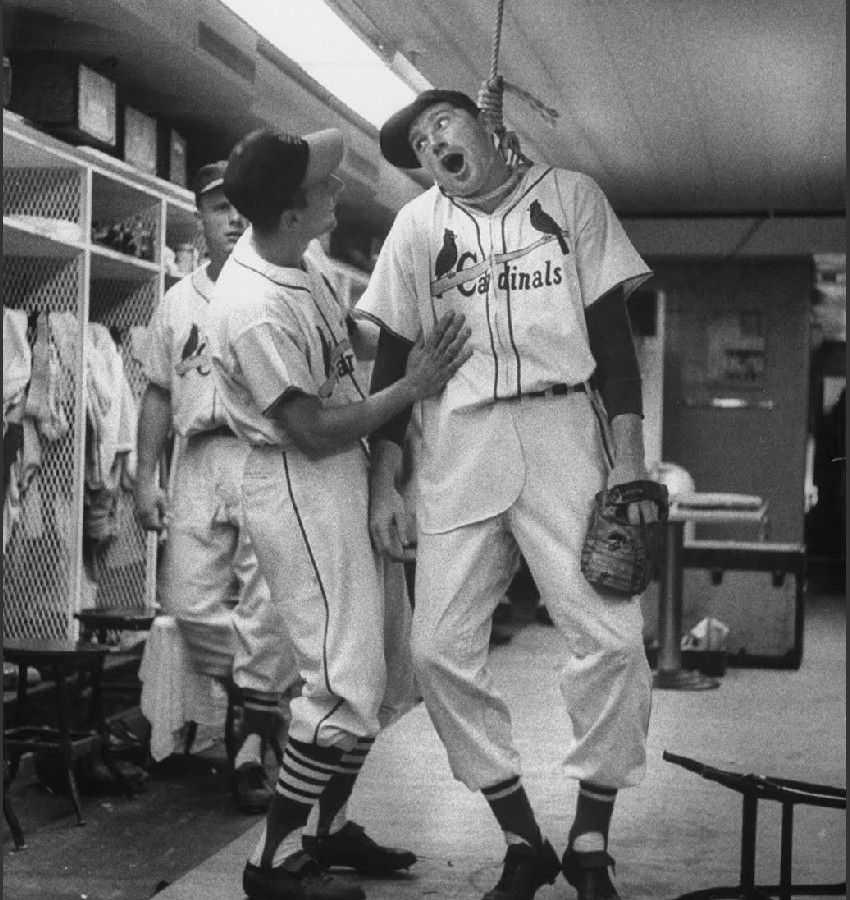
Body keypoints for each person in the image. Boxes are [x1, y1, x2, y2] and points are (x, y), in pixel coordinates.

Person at [357, 88, 659, 900]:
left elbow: (611, 342)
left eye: (442, 124)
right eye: (419, 143)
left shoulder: (570, 197)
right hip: (458, 442)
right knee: (433, 652)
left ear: (487, 125)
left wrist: (629, 459)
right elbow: (392, 360)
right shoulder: (417, 228)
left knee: (615, 639)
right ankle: (523, 838)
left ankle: (590, 836)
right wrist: (386, 482)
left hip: (565, 431)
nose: (433, 144)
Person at [206, 126, 472, 900]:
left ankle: (328, 831)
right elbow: (311, 429)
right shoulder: (250, 304)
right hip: (297, 481)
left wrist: (399, 327)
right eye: (322, 186)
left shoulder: (301, 260)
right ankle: (273, 864)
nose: (337, 189)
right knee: (341, 682)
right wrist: (411, 385)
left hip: (342, 474)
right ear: (293, 211)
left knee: (387, 669)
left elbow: (346, 341)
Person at [135, 162, 296, 813]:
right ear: (198, 216)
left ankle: (253, 744)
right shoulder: (177, 301)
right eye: (216, 206)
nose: (231, 217)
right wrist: (145, 479)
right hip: (197, 456)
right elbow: (154, 393)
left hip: (264, 453)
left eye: (241, 205)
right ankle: (265, 702)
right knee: (184, 604)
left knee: (267, 606)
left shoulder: (284, 290)